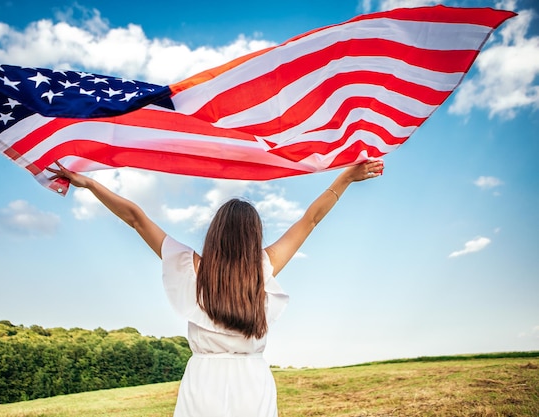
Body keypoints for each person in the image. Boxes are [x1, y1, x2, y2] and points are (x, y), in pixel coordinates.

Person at [47, 159, 384, 417]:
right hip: (252, 379)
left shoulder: (192, 267)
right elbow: (310, 219)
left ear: (215, 233)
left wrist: (89, 184)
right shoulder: (262, 267)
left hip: (203, 378)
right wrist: (345, 179)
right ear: (254, 235)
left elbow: (136, 217)